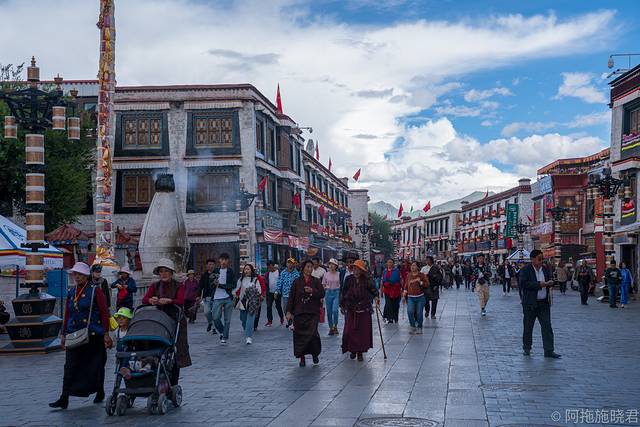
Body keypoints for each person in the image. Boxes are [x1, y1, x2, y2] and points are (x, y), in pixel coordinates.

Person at [49, 262, 113, 409]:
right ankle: (64, 397)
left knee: (96, 364)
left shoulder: (95, 291)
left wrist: (106, 333)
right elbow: (68, 313)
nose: (77, 277)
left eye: (80, 274)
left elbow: (104, 312)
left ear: (86, 276)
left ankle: (100, 390)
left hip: (93, 334)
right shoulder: (72, 292)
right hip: (74, 333)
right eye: (75, 274)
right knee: (70, 365)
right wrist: (64, 333)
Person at [142, 258, 192, 382]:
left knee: (175, 348)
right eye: (161, 271)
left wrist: (170, 301)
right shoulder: (155, 286)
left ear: (171, 272)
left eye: (166, 271)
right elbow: (145, 299)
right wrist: (151, 300)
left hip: (175, 318)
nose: (163, 274)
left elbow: (181, 301)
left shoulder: (179, 286)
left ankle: (173, 378)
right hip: (159, 319)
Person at [519, 249, 561, 358]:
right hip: (530, 304)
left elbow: (550, 279)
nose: (541, 261)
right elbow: (523, 284)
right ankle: (527, 348)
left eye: (542, 259)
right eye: (539, 259)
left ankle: (549, 350)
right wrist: (539, 285)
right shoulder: (526, 270)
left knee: (547, 326)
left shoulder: (545, 269)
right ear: (532, 259)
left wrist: (550, 283)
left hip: (543, 303)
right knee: (528, 326)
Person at [286, 260, 325, 367]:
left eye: (311, 267)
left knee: (313, 335)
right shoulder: (296, 282)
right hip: (299, 312)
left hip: (313, 312)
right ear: (303, 268)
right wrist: (289, 311)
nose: (309, 269)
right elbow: (291, 297)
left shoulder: (316, 281)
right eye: (307, 267)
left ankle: (314, 354)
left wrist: (312, 291)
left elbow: (322, 293)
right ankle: (302, 358)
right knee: (300, 336)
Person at [341, 260, 379, 361]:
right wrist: (342, 305)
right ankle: (353, 350)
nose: (356, 271)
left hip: (364, 308)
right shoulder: (348, 279)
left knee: (362, 332)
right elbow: (343, 292)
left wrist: (376, 297)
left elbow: (373, 290)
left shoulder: (367, 279)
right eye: (354, 268)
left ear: (362, 270)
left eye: (358, 269)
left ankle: (360, 352)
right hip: (351, 308)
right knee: (350, 331)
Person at [234, 263, 264, 344]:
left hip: (252, 302)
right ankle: (247, 330)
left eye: (248, 269)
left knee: (250, 319)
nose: (246, 271)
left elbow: (259, 290)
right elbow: (236, 289)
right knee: (243, 319)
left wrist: (254, 291)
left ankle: (248, 337)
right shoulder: (241, 279)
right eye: (245, 269)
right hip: (243, 301)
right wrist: (235, 294)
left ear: (251, 270)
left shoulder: (255, 279)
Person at [210, 253, 236, 344]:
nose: (223, 261)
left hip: (228, 297)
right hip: (217, 298)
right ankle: (222, 331)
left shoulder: (231, 271)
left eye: (225, 259)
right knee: (215, 318)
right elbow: (210, 284)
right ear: (219, 260)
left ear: (228, 261)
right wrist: (214, 283)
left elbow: (233, 285)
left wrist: (221, 286)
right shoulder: (215, 271)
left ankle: (224, 337)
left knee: (227, 320)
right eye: (222, 259)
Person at [403, 261, 429, 334]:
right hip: (410, 297)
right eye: (411, 265)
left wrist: (420, 282)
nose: (412, 267)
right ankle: (413, 326)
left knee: (419, 313)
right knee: (410, 311)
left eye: (414, 265)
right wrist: (404, 294)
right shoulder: (409, 275)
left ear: (417, 267)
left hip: (420, 297)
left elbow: (427, 284)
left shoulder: (422, 275)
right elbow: (406, 285)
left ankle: (419, 327)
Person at [198, 258, 218, 334]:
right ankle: (210, 322)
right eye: (209, 264)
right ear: (206, 265)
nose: (211, 266)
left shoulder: (218, 274)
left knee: (215, 314)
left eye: (212, 264)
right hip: (207, 297)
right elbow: (200, 286)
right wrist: (198, 295)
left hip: (216, 297)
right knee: (207, 312)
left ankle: (214, 328)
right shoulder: (204, 275)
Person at [323, 258, 341, 336]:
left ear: (336, 266)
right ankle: (331, 328)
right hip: (328, 293)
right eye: (330, 264)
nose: (331, 265)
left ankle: (335, 326)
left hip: (336, 292)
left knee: (335, 310)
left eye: (333, 264)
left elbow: (341, 284)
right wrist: (322, 296)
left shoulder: (339, 274)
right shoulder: (326, 274)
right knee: (329, 312)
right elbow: (323, 285)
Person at [381, 259, 402, 324]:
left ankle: (395, 317)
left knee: (395, 304)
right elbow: (382, 281)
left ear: (393, 263)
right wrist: (381, 291)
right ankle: (389, 318)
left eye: (391, 262)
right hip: (387, 290)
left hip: (396, 290)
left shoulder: (397, 271)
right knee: (388, 304)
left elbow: (400, 280)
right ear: (387, 263)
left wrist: (402, 288)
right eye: (388, 262)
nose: (390, 263)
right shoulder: (384, 271)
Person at [264, 261, 284, 326]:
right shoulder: (267, 274)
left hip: (277, 292)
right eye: (268, 267)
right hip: (269, 293)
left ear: (273, 266)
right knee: (268, 306)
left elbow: (281, 282)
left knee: (278, 306)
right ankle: (269, 321)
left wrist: (280, 290)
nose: (269, 268)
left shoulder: (279, 272)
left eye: (270, 267)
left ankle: (281, 318)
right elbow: (265, 282)